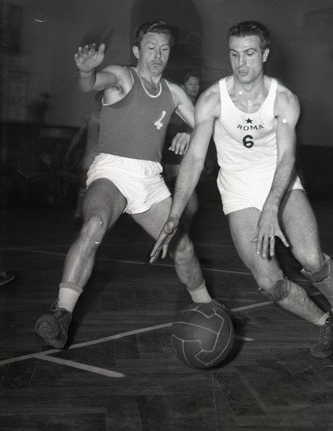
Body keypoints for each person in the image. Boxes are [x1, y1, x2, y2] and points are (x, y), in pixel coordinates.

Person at [151, 20, 333, 359]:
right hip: (238, 193)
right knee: (269, 283)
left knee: (311, 259)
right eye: (234, 54)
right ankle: (325, 322)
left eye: (250, 53)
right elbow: (195, 159)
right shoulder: (212, 100)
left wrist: (271, 207)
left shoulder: (283, 99)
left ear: (265, 54)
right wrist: (175, 211)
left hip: (280, 184)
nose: (241, 63)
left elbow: (287, 157)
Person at [35, 21, 241, 349]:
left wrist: (191, 132)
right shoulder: (122, 77)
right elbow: (91, 83)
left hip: (150, 180)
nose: (158, 55)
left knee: (184, 248)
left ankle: (208, 307)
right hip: (112, 172)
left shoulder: (174, 92)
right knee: (94, 225)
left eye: (164, 49)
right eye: (151, 47)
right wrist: (86, 72)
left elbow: (207, 125)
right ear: (137, 50)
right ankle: (62, 312)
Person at [162, 72, 201, 228]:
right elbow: (169, 137)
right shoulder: (177, 109)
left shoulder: (199, 107)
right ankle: (179, 236)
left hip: (190, 163)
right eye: (190, 84)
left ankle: (180, 235)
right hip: (175, 163)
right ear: (182, 87)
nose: (194, 87)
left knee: (188, 209)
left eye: (196, 83)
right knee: (191, 206)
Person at [64, 91, 103, 220]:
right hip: (90, 154)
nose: (102, 103)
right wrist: (69, 151)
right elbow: (78, 135)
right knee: (83, 183)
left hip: (104, 156)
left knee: (100, 185)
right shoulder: (90, 116)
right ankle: (78, 211)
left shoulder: (111, 118)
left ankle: (94, 212)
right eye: (100, 99)